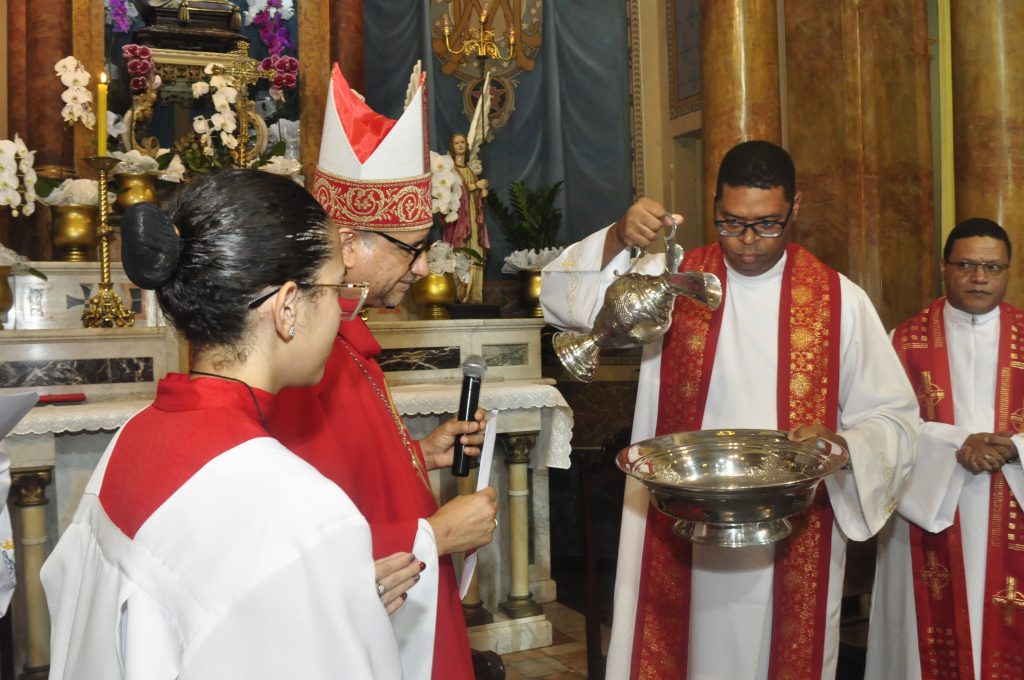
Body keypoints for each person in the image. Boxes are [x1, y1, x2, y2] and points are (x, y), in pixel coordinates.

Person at [541, 140, 920, 679]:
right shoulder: (670, 279)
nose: (746, 240)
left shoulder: (840, 300)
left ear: (795, 207)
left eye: (767, 224)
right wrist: (618, 238)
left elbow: (894, 418)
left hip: (792, 527)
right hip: (675, 518)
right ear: (714, 204)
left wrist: (843, 444)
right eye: (731, 222)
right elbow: (561, 303)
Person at [41, 169, 422, 679]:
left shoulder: (132, 437)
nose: (341, 312)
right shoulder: (304, 511)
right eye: (336, 290)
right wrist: (345, 615)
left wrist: (328, 602)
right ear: (288, 307)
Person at [270, 65, 498, 680]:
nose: (423, 268)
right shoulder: (298, 359)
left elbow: (349, 475)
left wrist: (420, 454)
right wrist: (436, 535)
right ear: (348, 244)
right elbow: (301, 544)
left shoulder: (344, 337)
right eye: (411, 247)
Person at [865, 218, 1024, 679]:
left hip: (1012, 504)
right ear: (943, 267)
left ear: (1008, 270)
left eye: (992, 267)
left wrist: (1015, 448)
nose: (979, 278)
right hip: (928, 510)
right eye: (966, 265)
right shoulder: (902, 341)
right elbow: (880, 428)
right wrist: (955, 444)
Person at [442, 132, 490, 304]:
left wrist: (481, 193)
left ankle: (474, 295)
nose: (460, 145)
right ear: (452, 147)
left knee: (475, 252)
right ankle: (460, 294)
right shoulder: (450, 170)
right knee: (460, 252)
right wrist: (475, 185)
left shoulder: (469, 170)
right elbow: (454, 192)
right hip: (460, 222)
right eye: (457, 143)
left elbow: (473, 195)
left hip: (473, 220)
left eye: (463, 142)